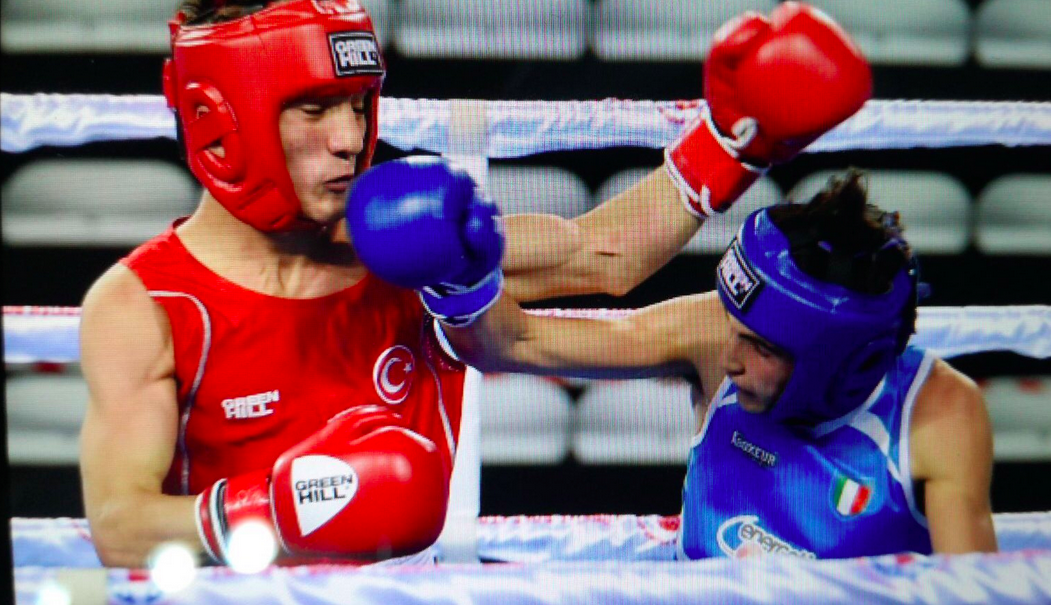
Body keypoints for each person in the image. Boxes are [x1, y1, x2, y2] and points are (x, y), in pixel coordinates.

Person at [78, 0, 868, 567]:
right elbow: (118, 523)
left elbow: (602, 253)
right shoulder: (147, 304)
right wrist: (281, 508)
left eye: (357, 105)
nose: (351, 139)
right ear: (225, 118)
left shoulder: (408, 242)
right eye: (314, 108)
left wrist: (734, 145)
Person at [355, 165, 998, 558]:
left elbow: (974, 591)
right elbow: (516, 343)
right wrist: (462, 280)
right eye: (737, 328)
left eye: (763, 348)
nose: (732, 357)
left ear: (844, 365)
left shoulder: (938, 412)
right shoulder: (714, 331)